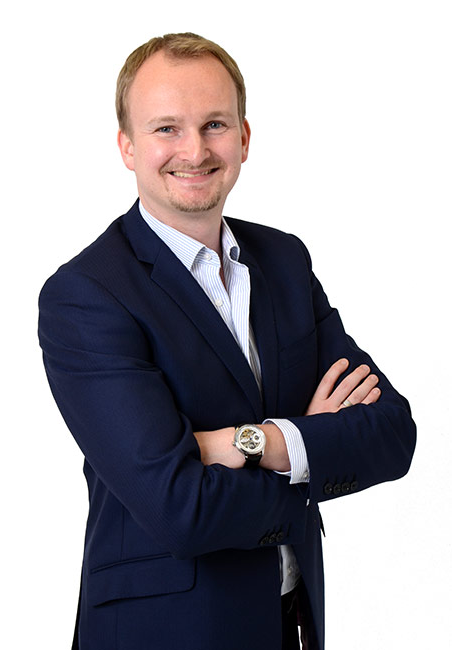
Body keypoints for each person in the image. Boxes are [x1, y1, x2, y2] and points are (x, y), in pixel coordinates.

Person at [38, 32, 416, 650]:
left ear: (244, 137)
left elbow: (393, 434)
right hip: (161, 633)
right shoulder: (86, 296)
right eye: (166, 129)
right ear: (126, 147)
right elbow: (177, 508)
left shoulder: (284, 261)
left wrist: (246, 443)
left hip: (289, 623)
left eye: (214, 124)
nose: (194, 149)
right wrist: (308, 448)